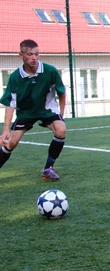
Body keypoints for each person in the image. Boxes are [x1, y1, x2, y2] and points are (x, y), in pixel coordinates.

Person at [0, 40, 67, 180]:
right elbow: (10, 104)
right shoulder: (15, 77)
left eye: (36, 54)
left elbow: (61, 91)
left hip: (47, 110)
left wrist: (61, 113)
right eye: (30, 54)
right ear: (21, 55)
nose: (34, 58)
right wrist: (6, 129)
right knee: (11, 142)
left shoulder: (50, 71)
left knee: (61, 129)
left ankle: (48, 169)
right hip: (25, 113)